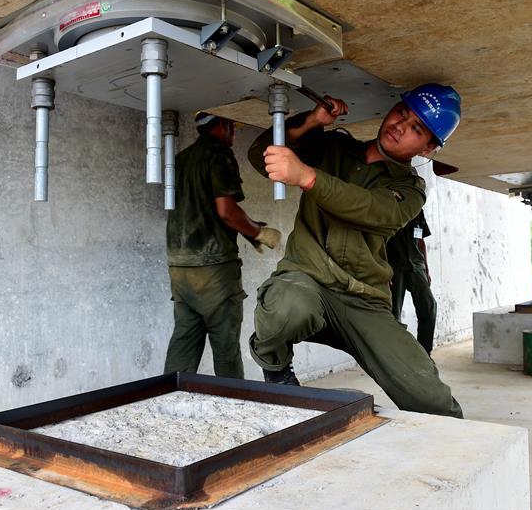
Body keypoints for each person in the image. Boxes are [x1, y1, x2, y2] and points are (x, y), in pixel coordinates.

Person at [247, 83, 464, 418]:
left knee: (429, 397)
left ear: (427, 148)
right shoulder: (335, 147)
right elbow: (260, 155)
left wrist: (306, 176)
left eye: (416, 128)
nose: (400, 126)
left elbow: (368, 209)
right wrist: (310, 122)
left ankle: (461, 452)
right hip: (307, 280)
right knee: (286, 306)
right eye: (402, 113)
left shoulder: (409, 190)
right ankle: (275, 367)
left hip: (363, 300)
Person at [163, 112, 282, 379]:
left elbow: (204, 211)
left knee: (184, 339)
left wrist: (251, 227)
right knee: (225, 347)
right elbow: (226, 211)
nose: (235, 133)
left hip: (180, 267)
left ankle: (166, 400)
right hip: (214, 270)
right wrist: (259, 234)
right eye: (233, 126)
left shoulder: (181, 160)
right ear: (222, 124)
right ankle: (234, 406)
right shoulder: (219, 155)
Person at [387, 209, 437, 354]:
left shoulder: (417, 211)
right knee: (393, 313)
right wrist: (384, 270)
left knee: (429, 306)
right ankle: (396, 354)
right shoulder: (388, 208)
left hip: (416, 266)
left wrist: (426, 269)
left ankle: (424, 354)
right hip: (395, 268)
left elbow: (421, 240)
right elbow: (379, 243)